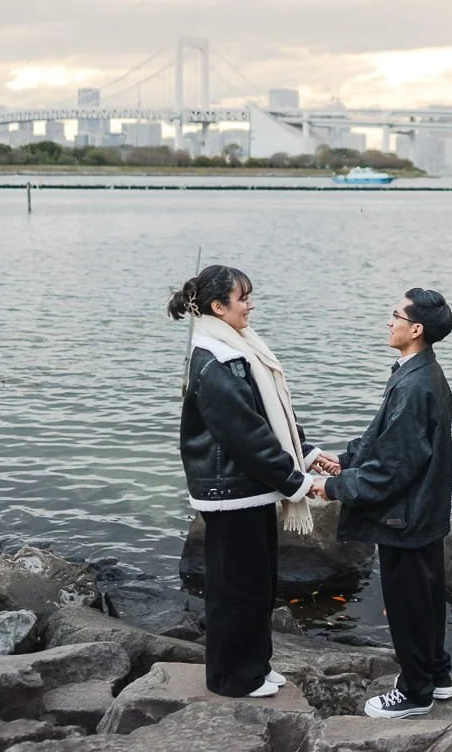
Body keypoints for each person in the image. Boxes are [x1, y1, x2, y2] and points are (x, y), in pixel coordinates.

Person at [171, 264, 337, 698]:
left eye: (248, 296)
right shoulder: (214, 362)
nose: (251, 305)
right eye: (243, 298)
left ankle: (256, 666)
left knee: (258, 584)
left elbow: (272, 416)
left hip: (250, 490)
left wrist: (308, 454)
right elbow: (246, 437)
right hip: (231, 492)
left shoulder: (239, 349)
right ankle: (231, 678)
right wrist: (295, 481)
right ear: (217, 306)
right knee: (234, 590)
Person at [310, 287, 452, 719]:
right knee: (427, 597)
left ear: (416, 328)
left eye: (395, 315)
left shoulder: (414, 385)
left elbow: (394, 467)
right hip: (425, 512)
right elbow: (387, 439)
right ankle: (437, 674)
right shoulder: (422, 372)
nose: (388, 321)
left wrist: (332, 488)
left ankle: (416, 692)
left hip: (405, 517)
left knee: (409, 603)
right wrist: (345, 459)